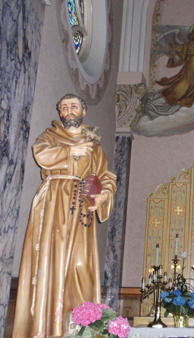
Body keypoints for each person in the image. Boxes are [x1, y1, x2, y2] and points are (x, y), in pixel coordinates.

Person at [12, 94, 117, 338]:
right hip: (53, 204)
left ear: (83, 112)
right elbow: (41, 154)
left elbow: (106, 176)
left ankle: (81, 326)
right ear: (60, 113)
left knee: (82, 267)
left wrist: (104, 195)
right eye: (64, 107)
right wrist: (70, 150)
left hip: (81, 209)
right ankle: (48, 329)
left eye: (74, 107)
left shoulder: (95, 145)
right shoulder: (50, 136)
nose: (69, 111)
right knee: (52, 262)